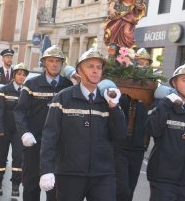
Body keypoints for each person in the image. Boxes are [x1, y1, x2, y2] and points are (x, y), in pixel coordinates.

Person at [39, 48, 126, 201]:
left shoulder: (107, 101)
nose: (95, 71)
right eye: (90, 66)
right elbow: (50, 136)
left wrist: (114, 107)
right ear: (79, 70)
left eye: (98, 67)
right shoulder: (63, 98)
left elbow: (120, 135)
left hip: (102, 175)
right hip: (70, 174)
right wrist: (46, 169)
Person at [14, 45, 73, 201]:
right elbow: (20, 111)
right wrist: (24, 132)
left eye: (58, 61)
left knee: (55, 190)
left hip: (58, 146)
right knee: (31, 186)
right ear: (44, 63)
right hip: (34, 144)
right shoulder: (31, 84)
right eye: (51, 61)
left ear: (62, 64)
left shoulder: (68, 86)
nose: (55, 64)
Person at [146, 62, 185, 201]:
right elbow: (152, 129)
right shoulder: (162, 107)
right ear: (174, 83)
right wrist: (166, 103)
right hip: (162, 180)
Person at [114, 48, 152, 201]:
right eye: (139, 63)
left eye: (145, 63)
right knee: (121, 188)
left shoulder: (152, 89)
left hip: (138, 146)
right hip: (120, 146)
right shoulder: (124, 85)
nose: (142, 66)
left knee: (130, 189)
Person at [0, 63, 29, 196]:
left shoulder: (26, 91)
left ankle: (15, 186)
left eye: (24, 75)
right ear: (14, 75)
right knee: (1, 157)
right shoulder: (5, 89)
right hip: (5, 129)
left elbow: (28, 112)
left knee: (18, 158)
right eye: (19, 74)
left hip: (19, 131)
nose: (21, 77)